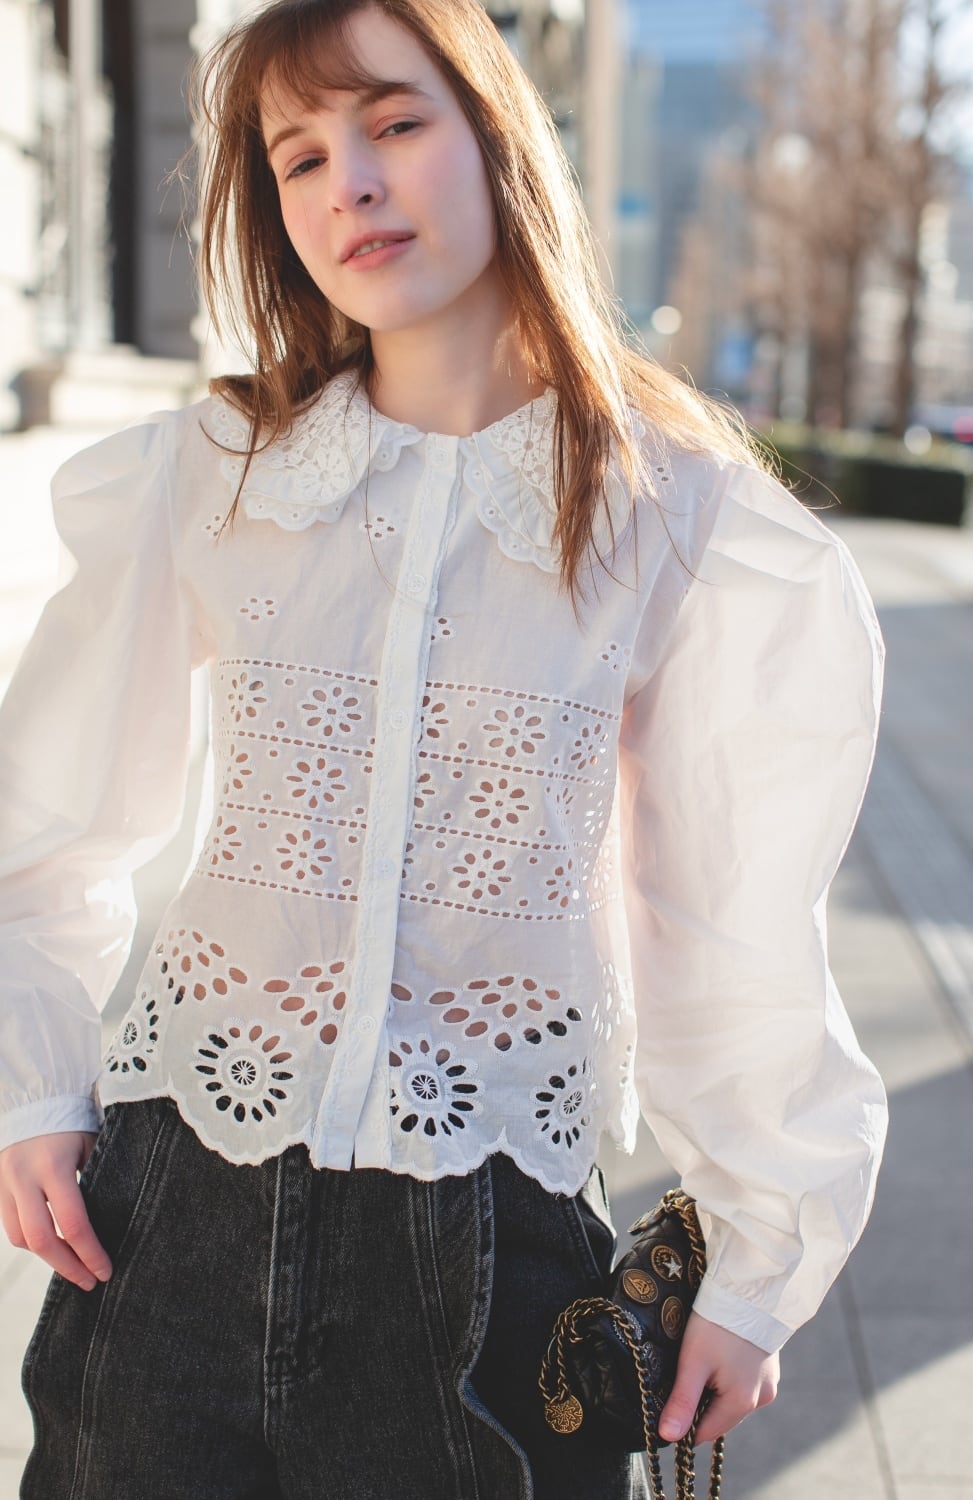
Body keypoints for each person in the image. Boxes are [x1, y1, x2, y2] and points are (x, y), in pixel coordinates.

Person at [0, 0, 888, 1496]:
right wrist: (32, 1089)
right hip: (171, 1223)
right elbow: (43, 823)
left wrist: (759, 1257)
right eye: (298, 156)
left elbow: (726, 921)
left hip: (485, 1253)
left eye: (395, 124)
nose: (348, 181)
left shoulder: (673, 515)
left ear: (496, 137)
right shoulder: (212, 474)